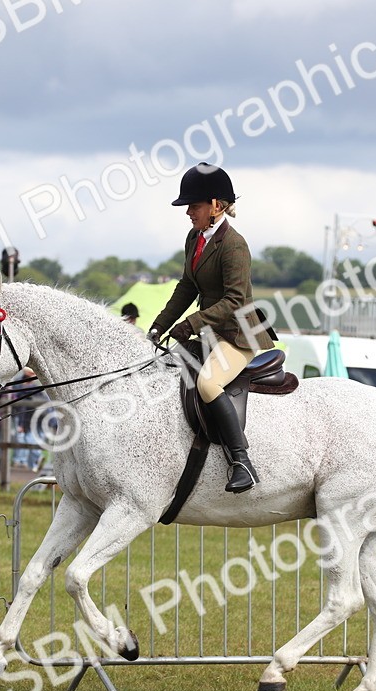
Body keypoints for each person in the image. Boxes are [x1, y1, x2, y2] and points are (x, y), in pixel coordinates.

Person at [148, 163, 276, 493]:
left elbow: (234, 300)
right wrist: (158, 326)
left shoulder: (234, 245)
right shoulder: (195, 238)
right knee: (166, 368)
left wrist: (190, 323)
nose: (189, 212)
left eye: (194, 206)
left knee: (207, 384)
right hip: (211, 332)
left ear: (216, 206)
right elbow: (187, 287)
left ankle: (242, 462)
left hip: (238, 334)